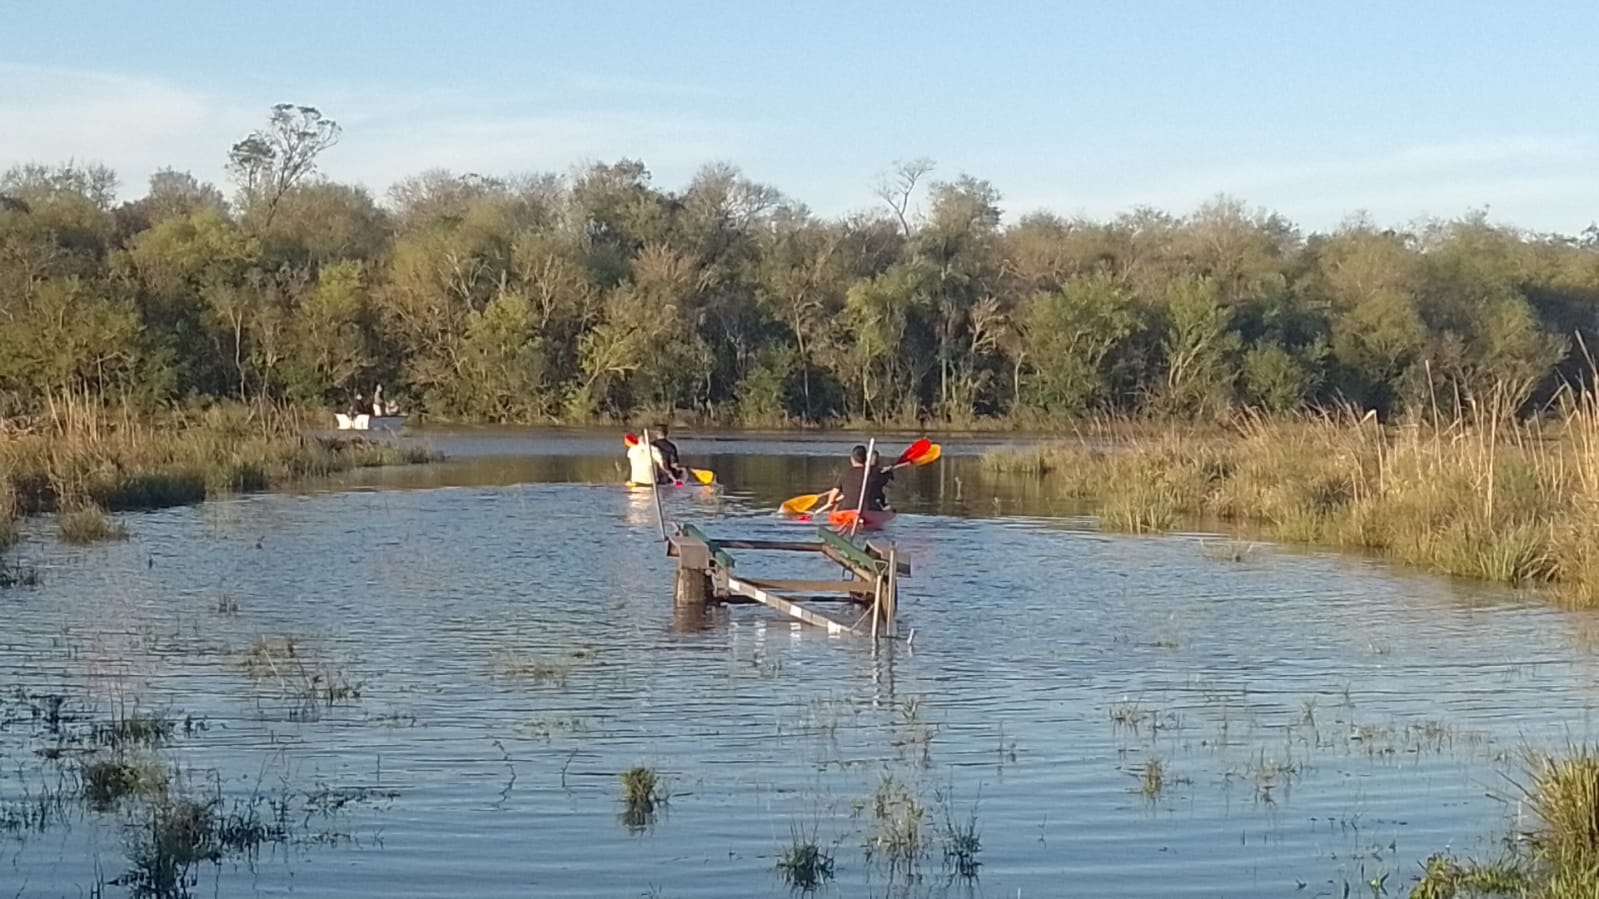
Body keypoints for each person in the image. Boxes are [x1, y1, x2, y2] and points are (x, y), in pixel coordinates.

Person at [818, 445, 870, 513]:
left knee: (835, 508)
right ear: (866, 459)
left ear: (852, 459)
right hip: (868, 510)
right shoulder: (874, 473)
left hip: (846, 510)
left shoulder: (844, 473)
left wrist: (832, 502)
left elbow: (832, 498)